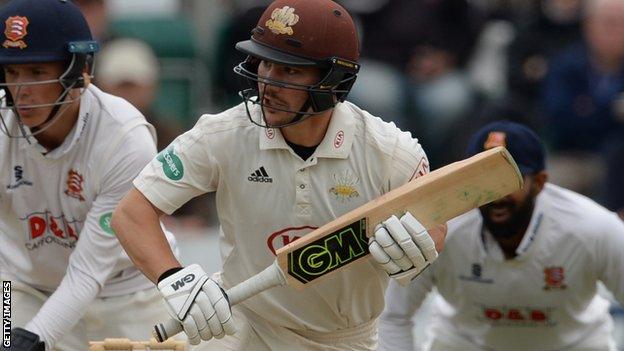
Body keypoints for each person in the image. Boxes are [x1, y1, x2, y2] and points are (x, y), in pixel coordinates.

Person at [111, 0, 446, 350]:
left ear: (333, 80)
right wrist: (174, 279)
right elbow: (131, 213)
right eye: (266, 64)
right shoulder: (224, 134)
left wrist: (419, 244)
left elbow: (435, 222)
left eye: (290, 71)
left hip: (345, 339)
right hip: (243, 324)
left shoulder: (389, 151)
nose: (267, 83)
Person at [0, 0, 177, 349]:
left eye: (37, 73)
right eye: (12, 72)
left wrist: (36, 337)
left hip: (127, 295)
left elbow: (88, 271)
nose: (21, 91)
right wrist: (8, 329)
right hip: (26, 287)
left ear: (78, 71)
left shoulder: (124, 138)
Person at [378, 120, 624, 351]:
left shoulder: (593, 227)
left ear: (539, 182)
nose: (496, 195)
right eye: (484, 178)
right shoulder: (439, 228)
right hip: (466, 344)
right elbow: (391, 316)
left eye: (508, 180)